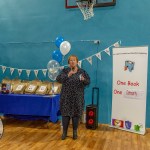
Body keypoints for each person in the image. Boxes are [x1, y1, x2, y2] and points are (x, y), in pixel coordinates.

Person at [56, 55, 90, 140]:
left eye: (74, 60)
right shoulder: (65, 70)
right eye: (70, 60)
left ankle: (75, 132)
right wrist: (68, 75)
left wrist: (83, 80)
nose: (72, 62)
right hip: (66, 97)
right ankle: (64, 132)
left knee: (76, 115)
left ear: (77, 62)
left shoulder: (82, 72)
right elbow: (58, 79)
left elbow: (88, 81)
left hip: (77, 97)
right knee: (65, 114)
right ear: (68, 62)